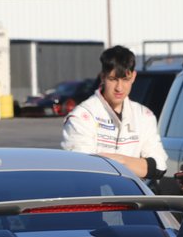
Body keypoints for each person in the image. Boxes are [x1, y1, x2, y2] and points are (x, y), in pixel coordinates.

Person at [61, 45, 168, 181]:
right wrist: (138, 165)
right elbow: (83, 168)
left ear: (134, 77)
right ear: (102, 77)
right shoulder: (81, 116)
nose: (119, 88)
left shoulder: (144, 115)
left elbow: (159, 167)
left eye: (125, 79)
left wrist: (120, 160)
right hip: (93, 194)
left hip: (132, 194)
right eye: (113, 79)